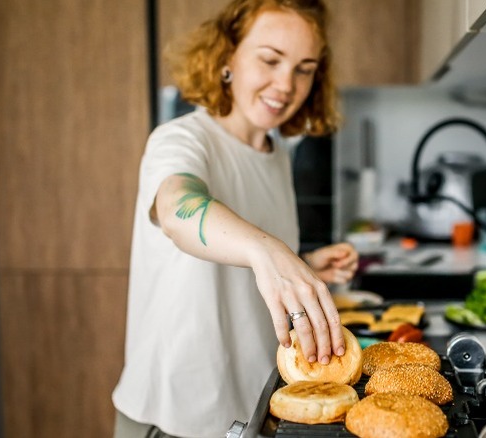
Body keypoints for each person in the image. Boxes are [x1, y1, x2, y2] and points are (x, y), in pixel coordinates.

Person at [112, 1, 358, 436]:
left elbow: (240, 266)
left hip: (250, 406)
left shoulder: (277, 154)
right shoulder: (182, 140)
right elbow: (177, 207)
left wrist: (303, 264)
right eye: (269, 59)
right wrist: (270, 252)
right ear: (227, 58)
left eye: (304, 68)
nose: (286, 84)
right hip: (176, 416)